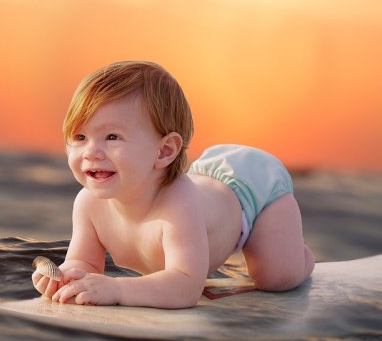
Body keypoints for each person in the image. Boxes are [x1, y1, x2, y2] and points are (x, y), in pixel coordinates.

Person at [32, 61, 314, 308]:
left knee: (275, 277)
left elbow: (186, 287)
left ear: (165, 151)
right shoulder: (88, 204)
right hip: (212, 186)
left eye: (112, 137)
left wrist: (117, 289)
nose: (91, 152)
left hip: (253, 189)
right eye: (80, 137)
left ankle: (302, 256)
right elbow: (84, 264)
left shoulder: (178, 204)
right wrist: (65, 276)